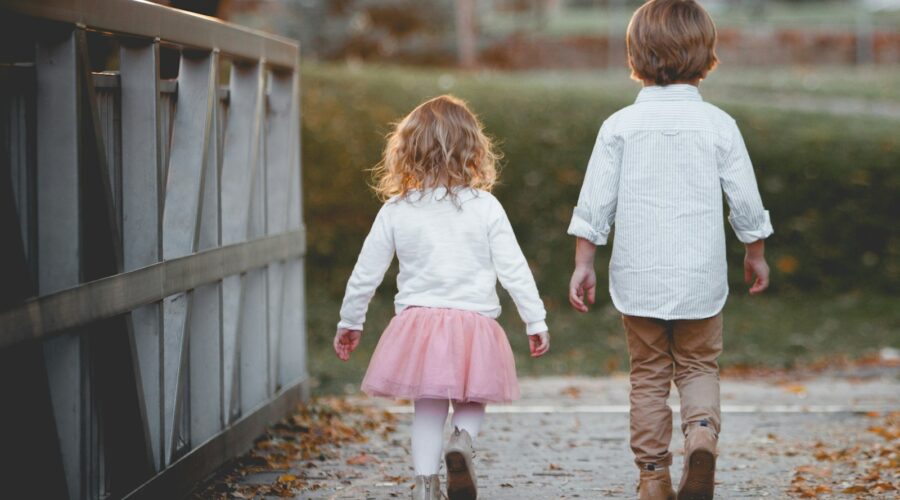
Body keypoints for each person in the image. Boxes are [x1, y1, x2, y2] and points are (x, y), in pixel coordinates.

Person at [567, 1, 773, 499]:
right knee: (700, 365)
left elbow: (595, 202)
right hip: (700, 279)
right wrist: (755, 252)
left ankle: (653, 476)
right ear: (706, 54)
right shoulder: (719, 125)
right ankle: (701, 433)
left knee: (649, 376)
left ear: (636, 54)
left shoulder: (618, 126)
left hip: (639, 279)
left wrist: (583, 263)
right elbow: (745, 199)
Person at [334, 95, 550, 500]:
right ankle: (462, 441)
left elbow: (366, 272)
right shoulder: (486, 207)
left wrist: (351, 321)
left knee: (427, 408)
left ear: (407, 151)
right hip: (475, 324)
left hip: (420, 327)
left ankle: (423, 485)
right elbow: (514, 269)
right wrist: (534, 320)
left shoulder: (397, 210)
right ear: (472, 148)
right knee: (473, 397)